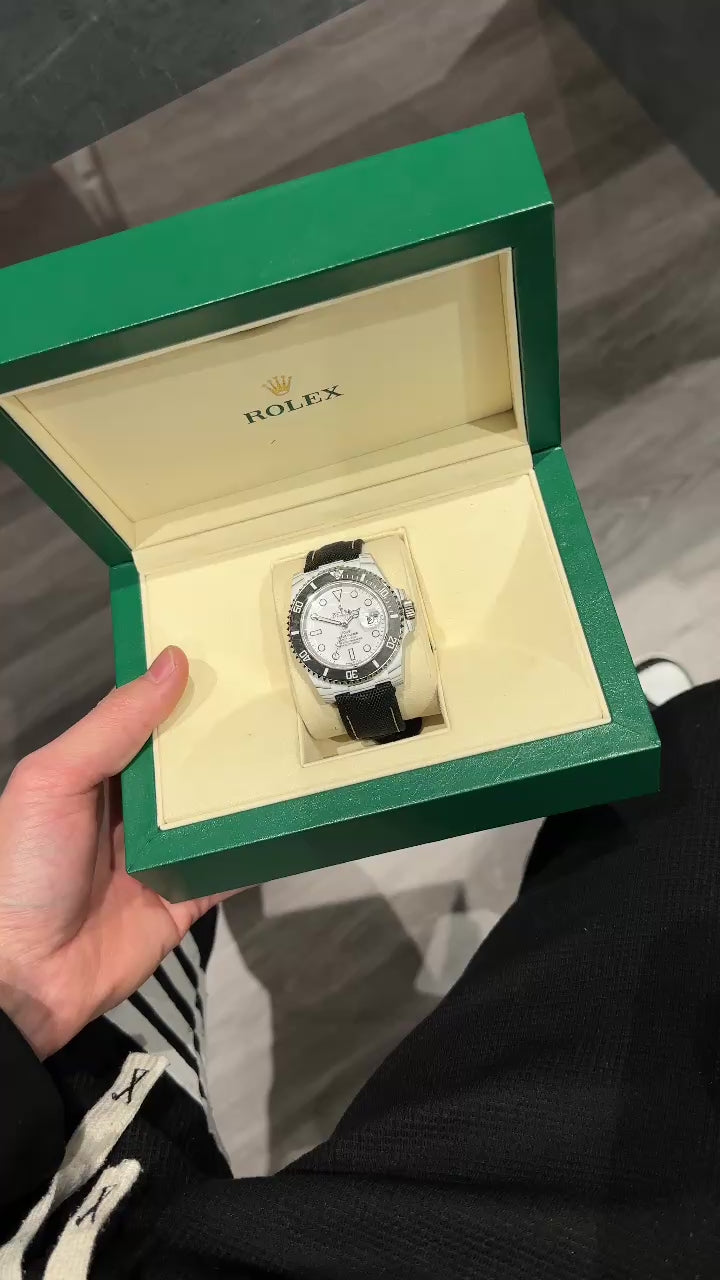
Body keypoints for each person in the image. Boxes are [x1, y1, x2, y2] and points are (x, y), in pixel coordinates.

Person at [0, 646, 718, 1279]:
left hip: (47, 1136)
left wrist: (29, 979)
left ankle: (649, 806)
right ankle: (647, 805)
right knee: (668, 858)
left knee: (136, 973)